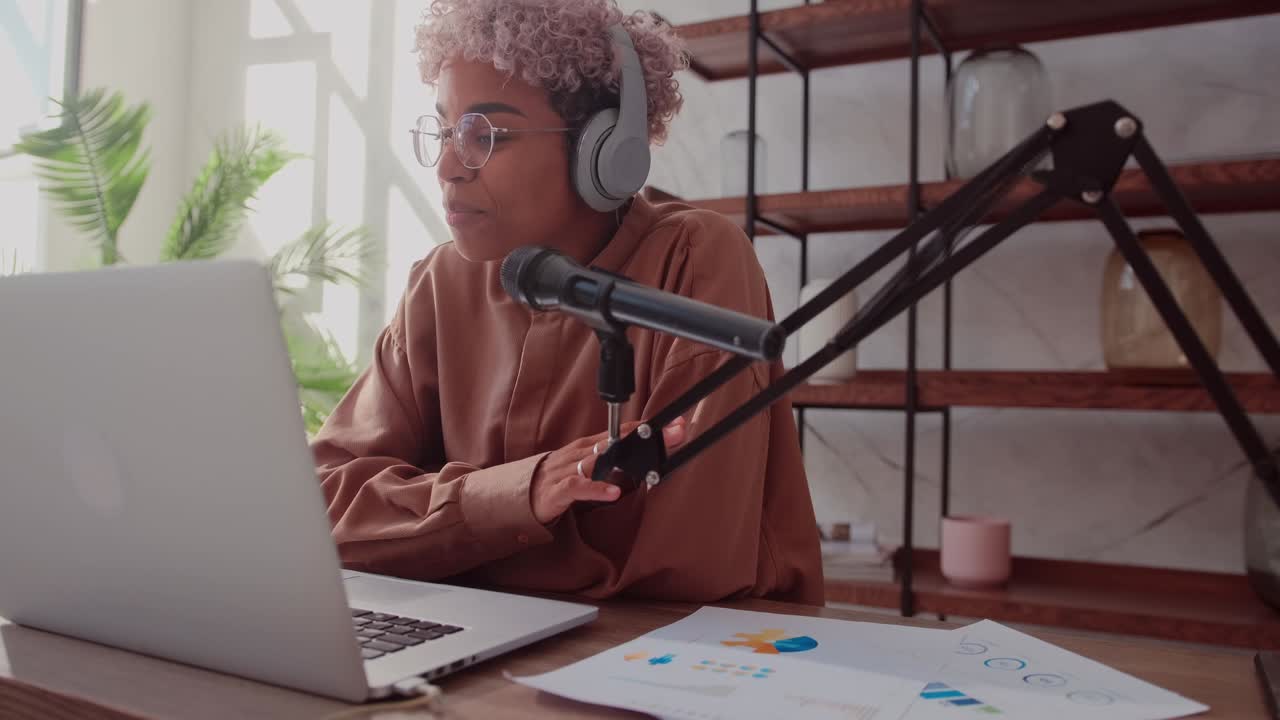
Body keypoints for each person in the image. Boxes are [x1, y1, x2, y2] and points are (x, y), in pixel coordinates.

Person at [312, 0, 823, 604]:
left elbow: (680, 575)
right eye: (446, 130)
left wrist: (437, 532)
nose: (449, 166)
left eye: (485, 135)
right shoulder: (441, 281)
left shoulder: (696, 260)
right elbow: (319, 508)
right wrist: (519, 495)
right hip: (486, 648)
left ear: (604, 150)